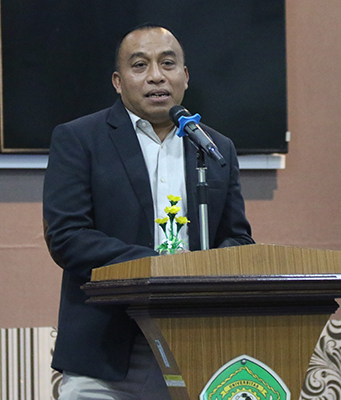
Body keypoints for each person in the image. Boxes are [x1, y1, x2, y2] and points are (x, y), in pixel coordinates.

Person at [43, 24, 254, 400]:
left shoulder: (214, 147)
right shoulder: (79, 139)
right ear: (118, 81)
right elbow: (68, 237)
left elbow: (237, 238)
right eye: (140, 65)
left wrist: (207, 268)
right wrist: (160, 267)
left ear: (185, 76)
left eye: (167, 64)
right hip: (104, 351)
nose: (156, 76)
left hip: (194, 345)